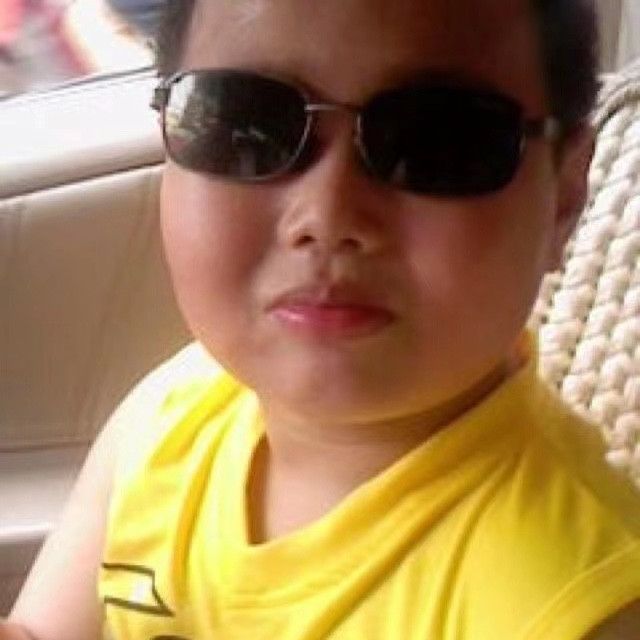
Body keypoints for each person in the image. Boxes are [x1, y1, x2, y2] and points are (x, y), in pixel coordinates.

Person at [3, 0, 640, 638]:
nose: (328, 216)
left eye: (436, 142)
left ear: (564, 197)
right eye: (246, 123)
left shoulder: (576, 608)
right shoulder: (173, 413)